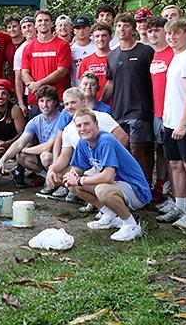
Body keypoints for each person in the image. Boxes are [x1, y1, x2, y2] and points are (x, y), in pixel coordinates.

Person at [63, 110, 151, 242]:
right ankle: (110, 215)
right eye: (79, 125)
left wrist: (79, 180)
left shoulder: (106, 140)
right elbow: (78, 168)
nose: (83, 129)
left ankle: (131, 224)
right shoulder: (83, 143)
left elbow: (108, 177)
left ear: (96, 124)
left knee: (101, 189)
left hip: (136, 190)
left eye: (87, 124)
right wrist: (70, 176)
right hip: (116, 186)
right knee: (72, 185)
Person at [156, 19, 186, 230]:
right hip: (171, 121)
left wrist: (183, 124)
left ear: (185, 33)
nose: (172, 38)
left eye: (176, 33)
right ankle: (179, 204)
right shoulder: (176, 58)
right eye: (169, 34)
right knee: (174, 164)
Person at [41, 88, 129, 199]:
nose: (69, 106)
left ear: (83, 102)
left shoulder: (101, 117)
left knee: (88, 175)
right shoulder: (68, 129)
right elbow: (64, 156)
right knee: (60, 175)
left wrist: (105, 163)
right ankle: (97, 203)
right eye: (66, 104)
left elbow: (123, 138)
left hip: (108, 166)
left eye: (73, 102)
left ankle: (110, 199)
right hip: (85, 167)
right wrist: (51, 169)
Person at [105, 13, 155, 182]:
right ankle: (129, 185)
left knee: (139, 149)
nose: (122, 29)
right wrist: (97, 103)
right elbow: (110, 83)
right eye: (119, 25)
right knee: (123, 150)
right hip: (118, 111)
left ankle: (144, 185)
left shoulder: (146, 51)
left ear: (133, 30)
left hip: (140, 110)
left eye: (126, 25)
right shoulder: (111, 55)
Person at [0, 85, 61, 182]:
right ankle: (47, 178)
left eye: (48, 101)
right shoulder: (36, 121)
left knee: (46, 156)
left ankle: (59, 182)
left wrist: (26, 150)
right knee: (21, 157)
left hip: (60, 156)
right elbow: (19, 143)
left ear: (55, 102)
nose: (45, 105)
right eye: (41, 101)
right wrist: (3, 160)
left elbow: (48, 147)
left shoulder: (61, 119)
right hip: (44, 155)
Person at [21, 10, 71, 115]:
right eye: (40, 20)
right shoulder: (28, 48)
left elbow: (62, 71)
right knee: (35, 131)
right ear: (35, 25)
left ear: (52, 23)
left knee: (58, 131)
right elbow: (24, 72)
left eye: (46, 20)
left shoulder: (62, 45)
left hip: (56, 98)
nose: (43, 23)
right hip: (35, 99)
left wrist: (39, 84)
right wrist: (33, 86)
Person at [147, 16, 174, 204]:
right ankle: (160, 184)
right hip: (154, 111)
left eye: (157, 30)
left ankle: (175, 193)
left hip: (172, 111)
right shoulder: (149, 54)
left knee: (173, 154)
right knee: (160, 149)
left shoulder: (174, 53)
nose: (153, 34)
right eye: (150, 31)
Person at [77, 22, 113, 103]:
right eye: (97, 36)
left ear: (110, 37)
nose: (100, 39)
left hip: (113, 105)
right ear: (92, 38)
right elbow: (81, 86)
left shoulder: (116, 58)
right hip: (90, 107)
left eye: (104, 35)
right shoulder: (86, 61)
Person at [13, 16, 36, 116]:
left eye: (30, 26)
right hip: (30, 93)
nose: (27, 29)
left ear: (36, 27)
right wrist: (21, 102)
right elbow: (18, 78)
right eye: (24, 27)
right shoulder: (20, 51)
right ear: (21, 32)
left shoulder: (47, 44)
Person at [70, 16, 96, 87]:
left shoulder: (97, 46)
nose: (81, 31)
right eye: (78, 28)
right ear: (74, 31)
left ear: (90, 28)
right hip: (77, 89)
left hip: (96, 88)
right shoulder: (70, 50)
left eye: (84, 27)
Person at [3, 13, 24, 79]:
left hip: (29, 81)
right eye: (9, 27)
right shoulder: (6, 45)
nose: (12, 30)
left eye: (14, 26)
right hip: (13, 81)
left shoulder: (27, 43)